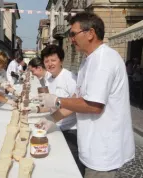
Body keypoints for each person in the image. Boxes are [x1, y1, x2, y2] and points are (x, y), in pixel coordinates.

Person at [37, 12, 135, 178]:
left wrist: (57, 100)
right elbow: (77, 100)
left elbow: (94, 106)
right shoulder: (88, 59)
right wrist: (52, 118)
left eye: (73, 34)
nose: (71, 39)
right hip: (91, 145)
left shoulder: (103, 60)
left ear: (91, 33)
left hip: (102, 151)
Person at [26, 46, 83, 175]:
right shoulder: (49, 79)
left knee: (73, 168)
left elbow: (75, 105)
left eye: (53, 60)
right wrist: (36, 109)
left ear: (61, 60)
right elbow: (53, 104)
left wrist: (51, 119)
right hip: (57, 127)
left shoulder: (70, 78)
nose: (50, 64)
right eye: (47, 61)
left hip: (71, 130)